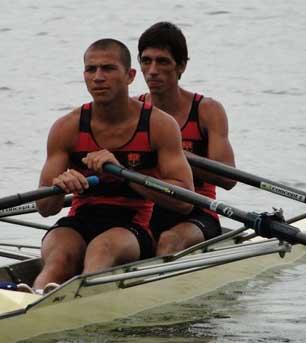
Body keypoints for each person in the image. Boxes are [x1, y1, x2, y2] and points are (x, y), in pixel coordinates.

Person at [26, 38, 194, 294]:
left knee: (101, 251)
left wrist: (126, 175)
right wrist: (60, 188)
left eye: (108, 68)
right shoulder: (67, 127)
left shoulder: (159, 125)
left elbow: (184, 198)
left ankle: (78, 300)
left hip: (134, 225)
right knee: (59, 257)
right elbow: (44, 208)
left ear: (129, 75)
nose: (98, 77)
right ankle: (34, 299)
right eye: (90, 69)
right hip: (80, 219)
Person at [137, 22, 237, 256]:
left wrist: (172, 157)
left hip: (198, 209)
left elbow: (228, 177)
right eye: (146, 61)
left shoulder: (207, 110)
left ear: (181, 67)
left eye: (162, 61)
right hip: (146, 207)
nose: (152, 70)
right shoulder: (132, 110)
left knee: (169, 241)